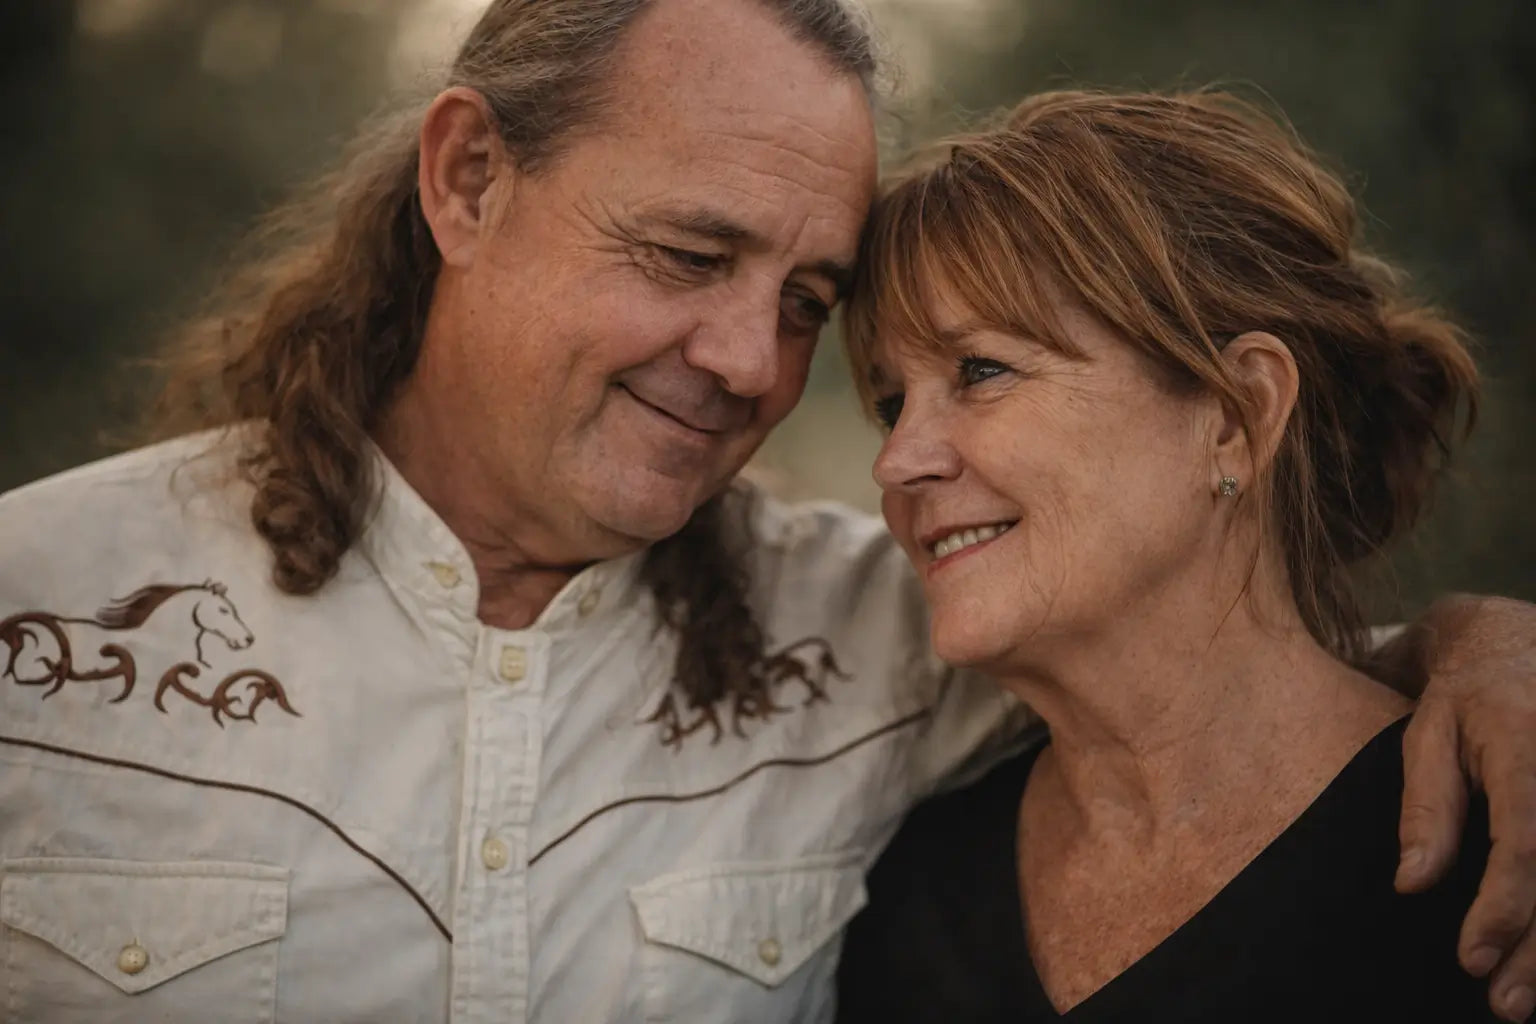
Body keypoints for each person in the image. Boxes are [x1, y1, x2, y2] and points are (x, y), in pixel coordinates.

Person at [0, 2, 1533, 1020]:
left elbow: (1223, 687)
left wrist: (1488, 655)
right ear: (466, 181)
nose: (751, 365)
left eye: (804, 302)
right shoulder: (36, 614)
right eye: (688, 255)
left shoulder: (881, 632)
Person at [833, 89, 1531, 1023]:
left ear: (1237, 418)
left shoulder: (1498, 849)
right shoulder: (908, 898)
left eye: (982, 371)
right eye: (891, 406)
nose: (897, 460)